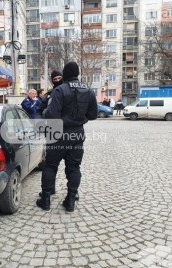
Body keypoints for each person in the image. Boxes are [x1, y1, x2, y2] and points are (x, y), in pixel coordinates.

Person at [36, 62, 98, 212]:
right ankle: (70, 200)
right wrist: (80, 119)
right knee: (74, 167)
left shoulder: (59, 91)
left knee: (50, 165)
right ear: (77, 73)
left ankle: (45, 200)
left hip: (57, 133)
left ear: (65, 74)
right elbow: (93, 115)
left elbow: (52, 115)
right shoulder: (89, 91)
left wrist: (44, 114)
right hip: (76, 134)